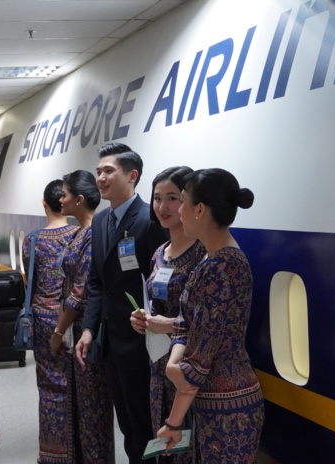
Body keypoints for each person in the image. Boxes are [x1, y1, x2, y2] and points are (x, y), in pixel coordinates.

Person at [157, 168, 264, 463]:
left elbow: (199, 362)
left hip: (228, 407)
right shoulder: (211, 258)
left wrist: (173, 423)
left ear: (199, 210)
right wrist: (173, 364)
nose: (178, 211)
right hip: (212, 400)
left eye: (182, 202)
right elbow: (185, 326)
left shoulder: (223, 268)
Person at [75, 143, 168, 464]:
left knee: (145, 425)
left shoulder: (150, 220)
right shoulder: (100, 222)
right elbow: (97, 282)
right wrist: (88, 329)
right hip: (110, 341)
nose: (100, 178)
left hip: (143, 343)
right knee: (127, 425)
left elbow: (163, 283)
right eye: (98, 171)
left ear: (132, 176)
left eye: (108, 171)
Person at [130, 166, 203, 464]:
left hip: (191, 366)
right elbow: (155, 303)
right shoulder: (160, 252)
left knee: (189, 444)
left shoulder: (203, 253)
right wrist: (142, 319)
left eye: (172, 198)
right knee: (165, 445)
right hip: (158, 363)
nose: (162, 207)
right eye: (157, 198)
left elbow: (212, 320)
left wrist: (170, 325)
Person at [50, 170, 114, 463]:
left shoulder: (91, 234)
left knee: (93, 408)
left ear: (78, 199)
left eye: (64, 195)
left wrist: (57, 331)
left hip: (86, 330)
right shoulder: (79, 232)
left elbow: (80, 291)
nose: (59, 199)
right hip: (74, 327)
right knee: (79, 404)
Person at [21, 179, 78, 463]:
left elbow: (29, 280)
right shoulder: (80, 234)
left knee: (48, 385)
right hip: (73, 317)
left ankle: (51, 452)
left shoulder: (32, 240)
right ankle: (76, 449)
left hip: (42, 318)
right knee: (76, 384)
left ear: (44, 203)